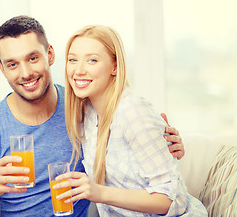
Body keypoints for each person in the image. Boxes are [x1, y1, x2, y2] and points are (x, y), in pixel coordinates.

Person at [0, 16, 185, 216]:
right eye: (12, 64)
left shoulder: (82, 106)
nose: (25, 73)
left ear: (50, 55)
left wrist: (165, 141)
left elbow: (131, 133)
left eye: (33, 58)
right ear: (2, 68)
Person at [54, 25, 208, 216]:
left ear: (115, 66)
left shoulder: (133, 110)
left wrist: (99, 192)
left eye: (92, 60)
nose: (78, 70)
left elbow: (170, 200)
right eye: (72, 60)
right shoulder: (86, 112)